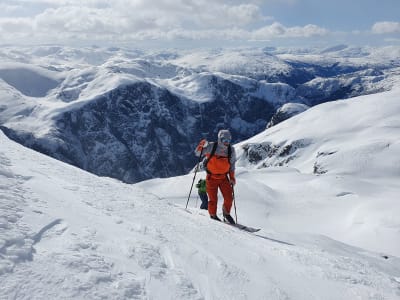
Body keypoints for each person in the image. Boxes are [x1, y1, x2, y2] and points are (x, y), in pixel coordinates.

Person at [195, 129, 236, 224]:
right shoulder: (211, 146)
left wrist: (232, 177)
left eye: (228, 140)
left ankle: (226, 213)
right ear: (219, 139)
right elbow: (197, 153)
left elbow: (232, 165)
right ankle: (213, 215)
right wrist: (201, 145)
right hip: (211, 177)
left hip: (223, 178)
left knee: (229, 197)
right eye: (224, 140)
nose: (226, 142)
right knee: (213, 199)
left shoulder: (231, 150)